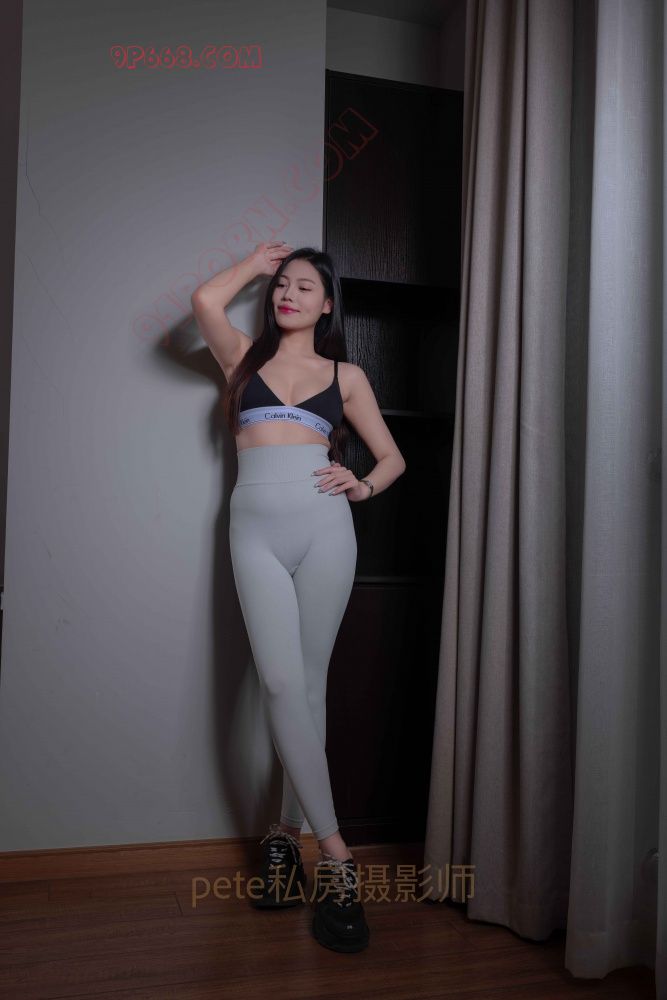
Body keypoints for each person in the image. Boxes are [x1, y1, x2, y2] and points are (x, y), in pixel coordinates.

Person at [191, 240, 407, 953]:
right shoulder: (241, 358)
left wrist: (363, 485)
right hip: (253, 533)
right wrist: (255, 263)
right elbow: (204, 302)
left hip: (326, 530)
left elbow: (392, 457)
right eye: (282, 284)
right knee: (281, 683)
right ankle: (337, 856)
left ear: (327, 303)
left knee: (308, 689)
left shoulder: (345, 376)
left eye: (304, 286)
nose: (288, 294)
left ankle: (284, 839)